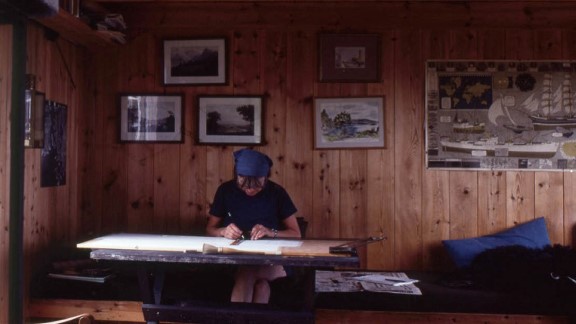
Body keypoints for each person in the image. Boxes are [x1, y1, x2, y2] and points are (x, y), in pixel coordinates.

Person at [206, 148, 301, 304]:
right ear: (237, 176)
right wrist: (223, 231)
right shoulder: (226, 191)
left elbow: (296, 233)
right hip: (235, 258)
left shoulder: (277, 193)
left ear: (266, 178)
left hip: (273, 260)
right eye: (244, 186)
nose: (250, 190)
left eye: (256, 186)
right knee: (261, 286)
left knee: (248, 272)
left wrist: (270, 232)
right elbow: (210, 230)